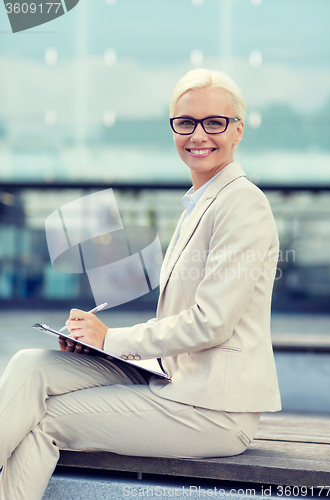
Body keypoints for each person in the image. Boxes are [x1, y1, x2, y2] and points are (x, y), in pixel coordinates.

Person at [0, 68, 281, 500]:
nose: (198, 134)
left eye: (215, 122)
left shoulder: (243, 203)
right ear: (173, 129)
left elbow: (212, 323)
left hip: (214, 410)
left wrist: (112, 339)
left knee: (47, 418)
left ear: (238, 130)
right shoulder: (200, 202)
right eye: (185, 122)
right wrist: (96, 343)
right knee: (29, 366)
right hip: (172, 379)